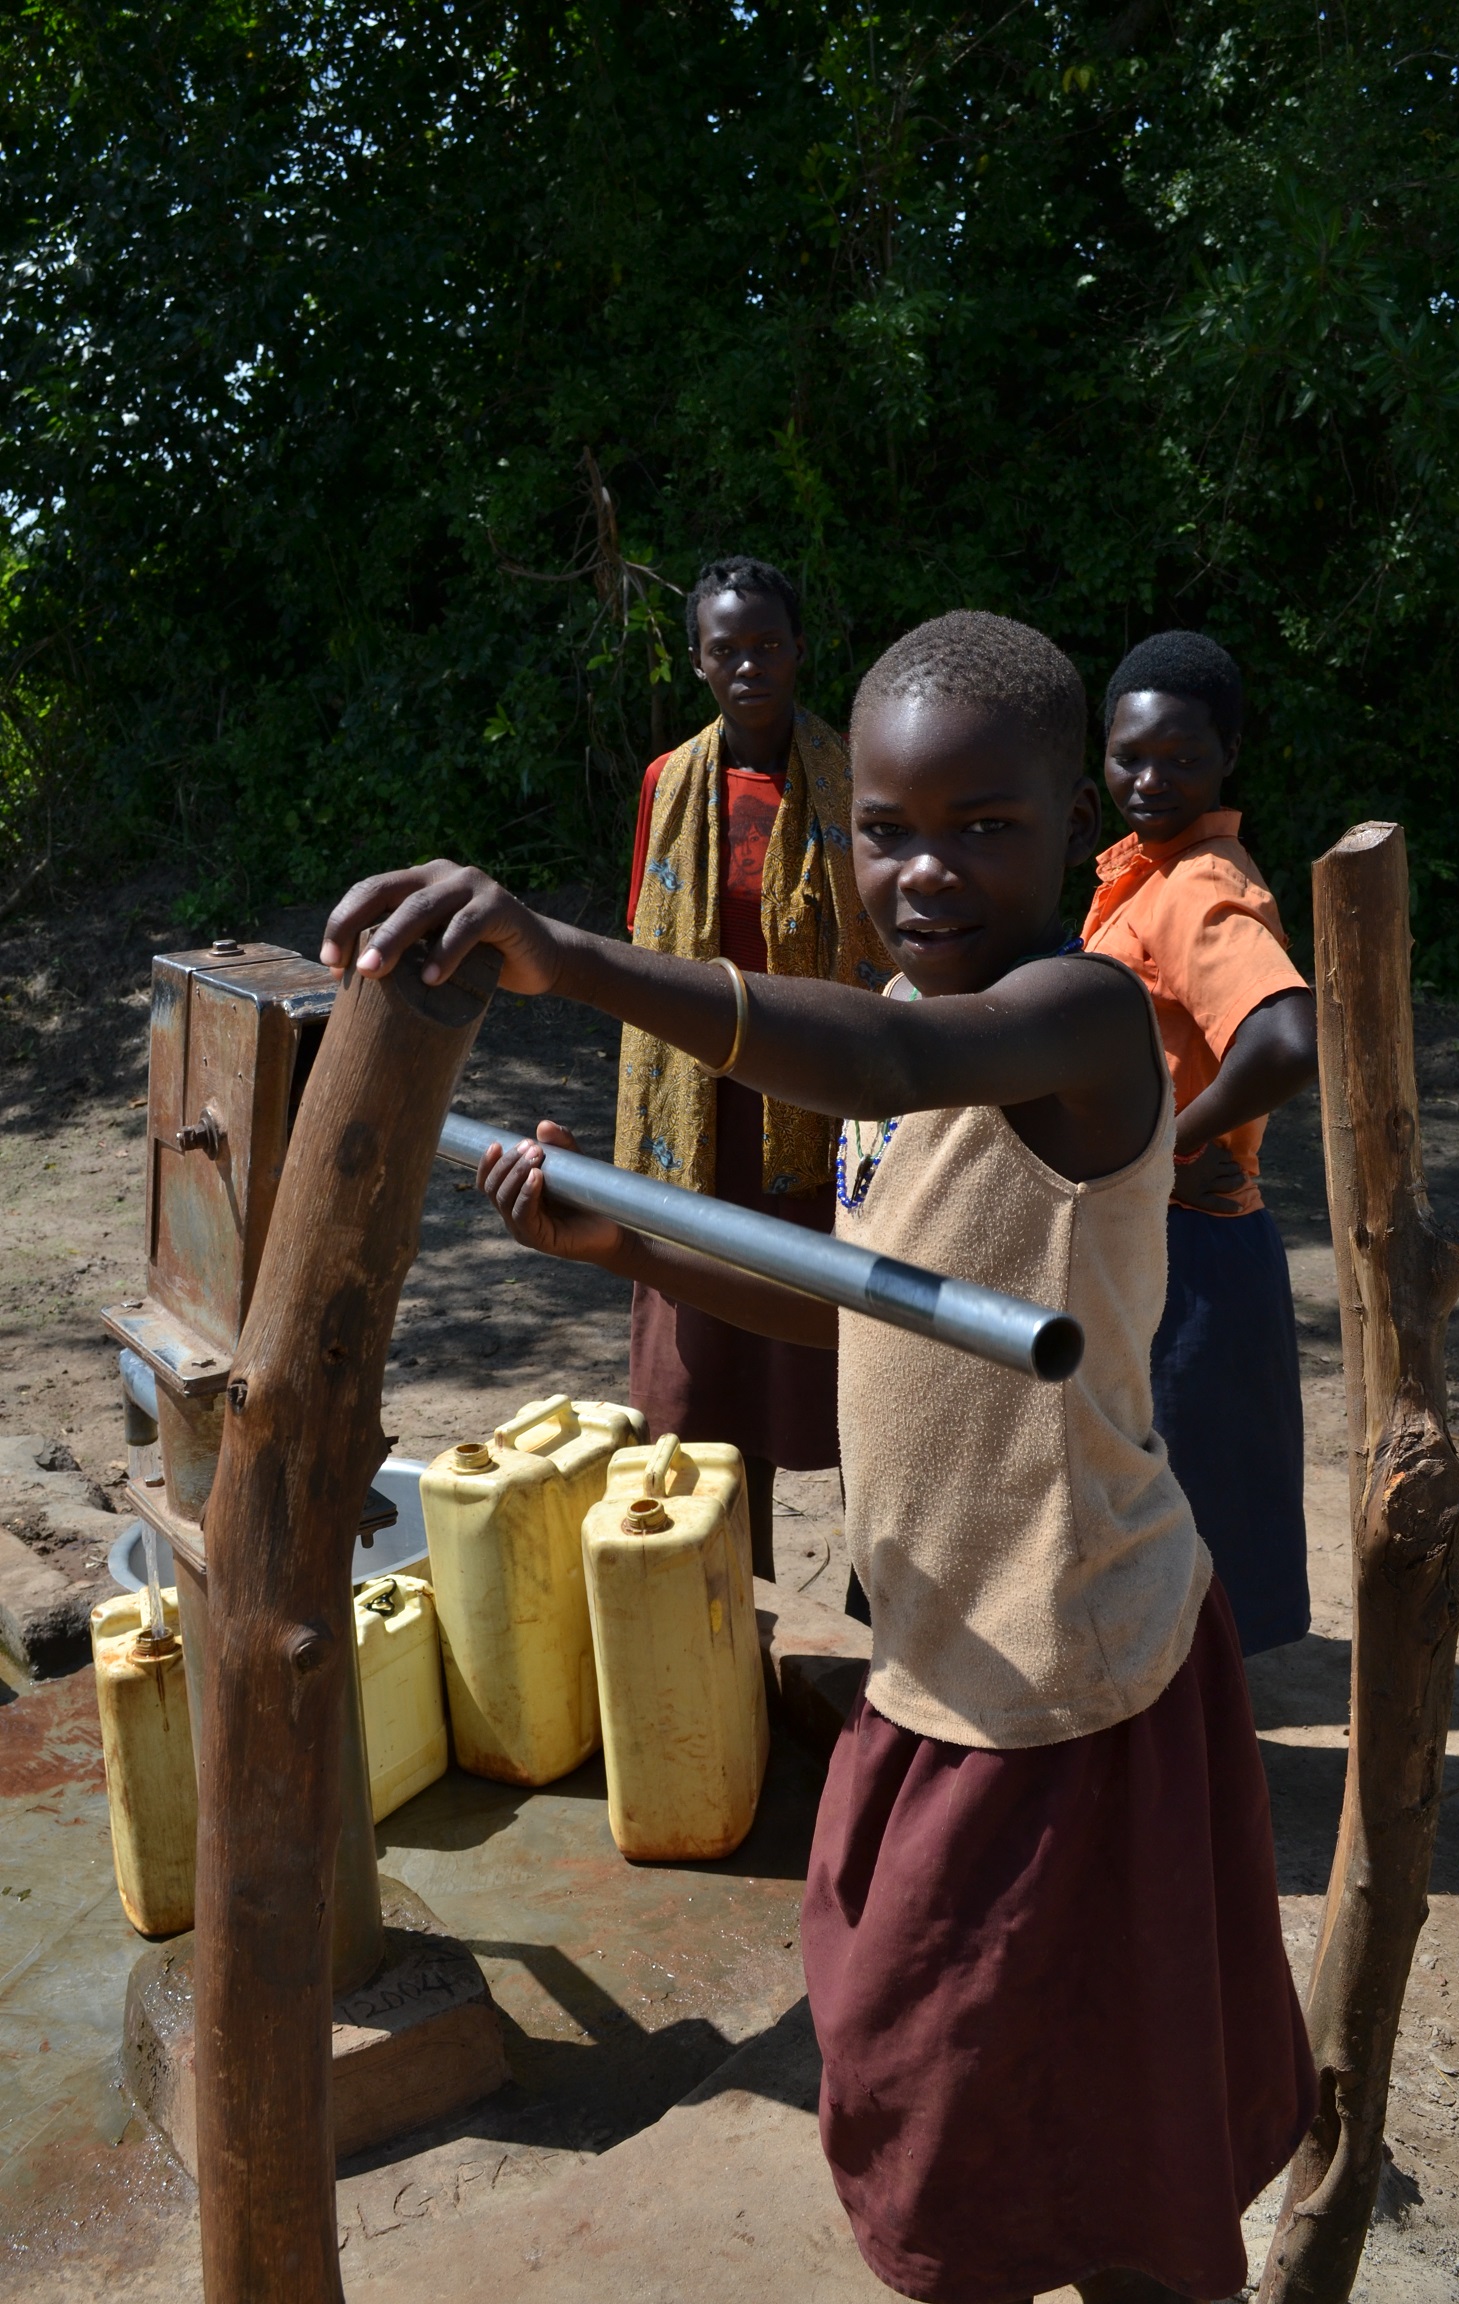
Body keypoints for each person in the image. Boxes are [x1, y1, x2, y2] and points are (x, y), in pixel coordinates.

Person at [322, 607, 1315, 2304]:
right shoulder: (884, 1029)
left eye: (984, 826)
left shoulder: (1072, 1017)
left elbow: (892, 1053)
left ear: (1076, 825)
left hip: (1073, 1665)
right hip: (931, 1653)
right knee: (955, 2078)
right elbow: (859, 1309)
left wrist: (563, 952)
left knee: (1080, 2109)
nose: (927, 869)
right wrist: (619, 1246)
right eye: (887, 828)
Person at [620, 554, 888, 1581]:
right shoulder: (670, 783)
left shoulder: (853, 773)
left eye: (766, 645)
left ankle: (876, 1621)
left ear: (799, 651)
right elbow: (645, 943)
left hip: (821, 1117)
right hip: (699, 1123)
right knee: (711, 1394)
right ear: (697, 662)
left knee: (847, 1378)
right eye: (725, 649)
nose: (748, 666)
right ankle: (741, 1605)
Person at [1083, 631, 1316, 1656]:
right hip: (1165, 1241)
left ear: (1227, 757)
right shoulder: (1149, 872)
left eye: (1181, 759)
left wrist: (1170, 1144)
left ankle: (1197, 1789)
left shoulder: (1197, 889)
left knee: (1183, 1521)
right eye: (1130, 755)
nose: (1149, 779)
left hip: (1189, 1251)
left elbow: (1283, 1038)